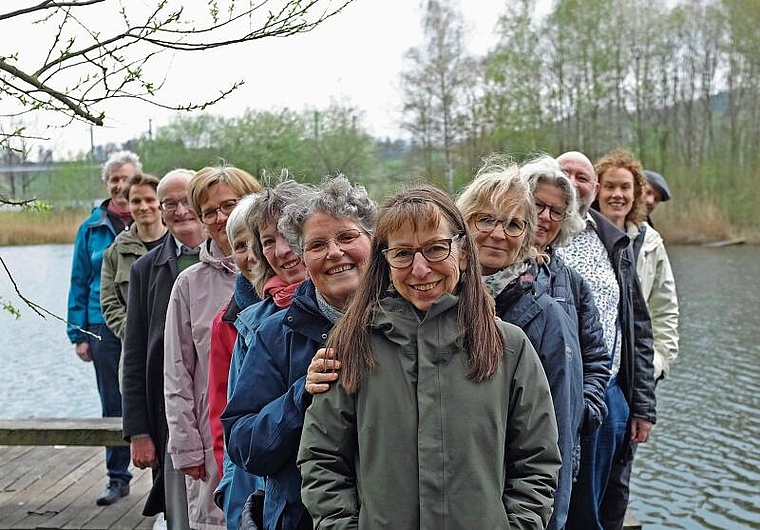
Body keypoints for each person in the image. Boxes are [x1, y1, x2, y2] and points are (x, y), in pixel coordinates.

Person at [297, 185, 561, 529]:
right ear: (385, 262)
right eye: (403, 254)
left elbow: (537, 460)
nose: (420, 270)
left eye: (436, 249)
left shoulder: (508, 347)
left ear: (463, 253)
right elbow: (321, 459)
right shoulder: (353, 344)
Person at [222, 175, 376, 530]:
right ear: (305, 257)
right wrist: (300, 395)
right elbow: (244, 446)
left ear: (373, 242)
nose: (335, 252)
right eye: (318, 244)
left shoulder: (408, 324)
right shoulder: (276, 335)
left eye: (348, 237)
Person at [455, 161, 582, 530]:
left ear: (527, 237)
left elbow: (555, 439)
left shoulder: (545, 317)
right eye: (487, 220)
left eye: (513, 224)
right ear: (463, 223)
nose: (499, 233)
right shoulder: (432, 298)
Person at [556, 151, 656, 530]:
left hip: (610, 390)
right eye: (563, 173)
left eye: (581, 177)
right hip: (552, 392)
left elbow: (639, 329)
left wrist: (643, 405)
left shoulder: (614, 241)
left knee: (597, 504)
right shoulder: (534, 231)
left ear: (592, 190)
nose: (572, 182)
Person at [164, 166, 261, 530]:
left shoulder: (285, 271)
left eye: (230, 205)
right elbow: (177, 372)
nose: (221, 218)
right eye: (209, 211)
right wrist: (186, 444)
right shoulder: (188, 285)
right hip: (211, 437)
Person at [208, 179, 309, 530]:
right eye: (267, 241)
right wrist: (235, 505)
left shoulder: (371, 308)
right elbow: (235, 423)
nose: (282, 250)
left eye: (289, 234)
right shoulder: (253, 324)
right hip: (279, 501)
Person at [122, 168, 204, 529]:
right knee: (181, 514)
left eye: (187, 200)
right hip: (172, 417)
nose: (180, 210)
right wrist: (138, 431)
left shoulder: (241, 259)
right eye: (169, 203)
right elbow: (136, 355)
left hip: (224, 408)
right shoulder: (145, 269)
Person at [66, 149, 140, 506]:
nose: (120, 185)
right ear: (107, 183)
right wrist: (77, 334)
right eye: (114, 178)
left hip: (143, 321)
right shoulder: (91, 227)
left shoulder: (149, 218)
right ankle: (117, 477)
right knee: (112, 402)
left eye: (126, 178)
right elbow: (78, 281)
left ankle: (166, 476)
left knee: (158, 395)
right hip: (100, 323)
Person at [520, 155, 611, 438]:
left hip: (557, 435)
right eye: (538, 206)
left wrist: (579, 412)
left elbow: (596, 358)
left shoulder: (572, 283)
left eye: (556, 211)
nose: (546, 217)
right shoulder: (486, 271)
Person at [594, 150, 679, 383]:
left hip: (632, 372)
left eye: (625, 187)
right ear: (596, 189)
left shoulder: (650, 242)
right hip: (586, 373)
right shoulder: (576, 235)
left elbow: (665, 309)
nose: (617, 194)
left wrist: (657, 363)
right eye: (610, 186)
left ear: (635, 193)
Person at [101, 172, 167, 342]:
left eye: (150, 200)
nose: (144, 207)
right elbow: (110, 305)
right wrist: (135, 335)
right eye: (136, 201)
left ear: (161, 203)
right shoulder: (115, 253)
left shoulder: (180, 245)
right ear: (128, 205)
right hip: (136, 351)